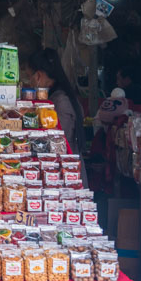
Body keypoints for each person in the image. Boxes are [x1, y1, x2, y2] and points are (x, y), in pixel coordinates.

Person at [29, 47, 87, 183]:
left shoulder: (59, 101)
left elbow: (59, 140)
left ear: (38, 76)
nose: (29, 82)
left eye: (29, 76)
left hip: (67, 169)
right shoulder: (59, 96)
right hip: (63, 167)